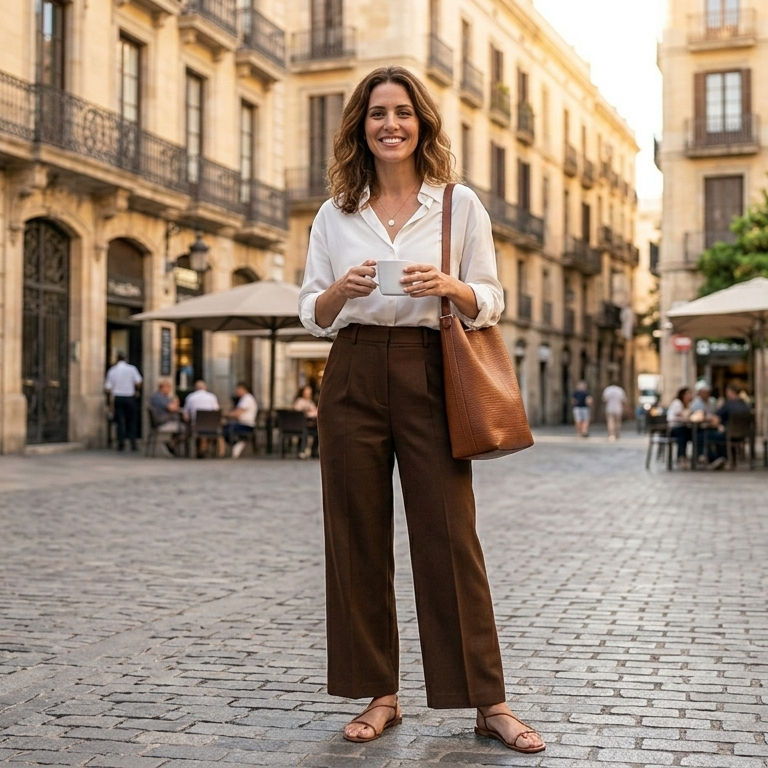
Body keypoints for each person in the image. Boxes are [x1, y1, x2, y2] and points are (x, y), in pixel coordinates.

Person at [298, 66, 545, 754]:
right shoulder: (335, 213)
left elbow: (491, 299)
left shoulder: (458, 205)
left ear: (422, 123)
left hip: (432, 367)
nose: (390, 125)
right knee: (356, 534)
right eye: (377, 114)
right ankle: (381, 694)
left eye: (402, 112)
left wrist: (452, 286)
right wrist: (340, 293)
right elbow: (311, 312)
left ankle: (488, 700)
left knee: (449, 533)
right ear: (360, 127)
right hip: (352, 367)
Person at [706, 384, 753, 469]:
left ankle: (719, 458)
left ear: (730, 392)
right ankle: (727, 459)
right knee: (723, 435)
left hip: (730, 433)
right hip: (744, 433)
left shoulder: (728, 404)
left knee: (709, 435)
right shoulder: (745, 404)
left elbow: (716, 417)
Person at [104, 352, 142, 452]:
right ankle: (133, 442)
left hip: (118, 397)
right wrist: (136, 390)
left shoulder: (112, 370)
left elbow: (108, 387)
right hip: (129, 396)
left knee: (120, 421)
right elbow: (138, 381)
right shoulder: (132, 369)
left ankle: (121, 443)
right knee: (132, 421)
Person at [183, 379, 220, 458]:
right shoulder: (212, 397)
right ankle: (205, 449)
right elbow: (216, 411)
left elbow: (186, 414)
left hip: (196, 426)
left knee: (194, 429)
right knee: (208, 431)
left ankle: (200, 450)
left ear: (195, 388)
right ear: (205, 387)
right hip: (211, 427)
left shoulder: (190, 397)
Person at [149, 378, 185, 456]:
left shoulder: (161, 397)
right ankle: (172, 444)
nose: (169, 390)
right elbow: (172, 408)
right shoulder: (159, 397)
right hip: (163, 422)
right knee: (185, 429)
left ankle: (172, 443)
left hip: (165, 421)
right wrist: (176, 401)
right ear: (163, 387)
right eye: (169, 388)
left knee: (182, 428)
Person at [223, 382, 257, 459]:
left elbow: (237, 414)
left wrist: (225, 414)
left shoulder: (247, 399)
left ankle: (239, 443)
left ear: (243, 389)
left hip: (246, 424)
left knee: (225, 429)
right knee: (227, 427)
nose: (236, 391)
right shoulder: (245, 399)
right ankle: (239, 443)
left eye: (237, 389)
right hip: (243, 423)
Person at [666, 386, 693, 469]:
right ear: (683, 395)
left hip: (681, 427)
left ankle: (696, 456)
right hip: (673, 428)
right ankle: (681, 458)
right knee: (683, 434)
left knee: (696, 434)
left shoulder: (686, 405)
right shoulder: (678, 403)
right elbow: (680, 415)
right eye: (688, 394)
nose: (690, 396)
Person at [293, 385, 318, 458]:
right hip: (299, 424)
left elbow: (314, 410)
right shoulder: (299, 401)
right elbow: (298, 411)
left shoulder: (310, 402)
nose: (308, 395)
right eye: (306, 393)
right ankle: (302, 451)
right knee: (305, 430)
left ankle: (314, 450)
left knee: (318, 431)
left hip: (309, 423)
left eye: (309, 393)